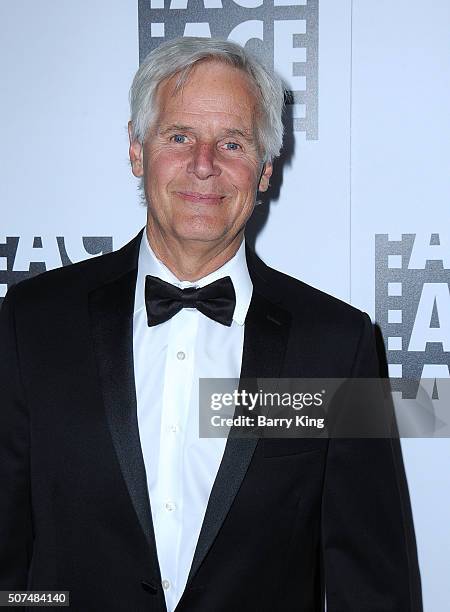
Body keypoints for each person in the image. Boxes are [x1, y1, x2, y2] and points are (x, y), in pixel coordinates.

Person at [0, 37, 422, 611]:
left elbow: (372, 582)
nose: (204, 164)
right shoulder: (34, 323)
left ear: (265, 169)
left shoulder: (336, 344)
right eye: (179, 137)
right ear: (136, 150)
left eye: (233, 142)